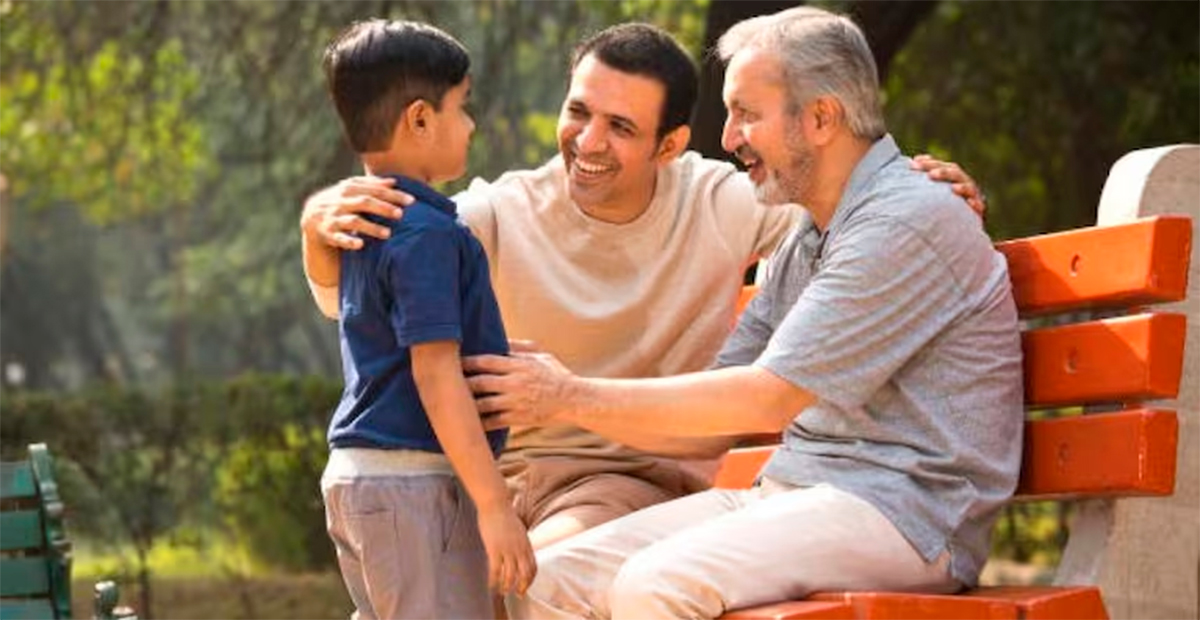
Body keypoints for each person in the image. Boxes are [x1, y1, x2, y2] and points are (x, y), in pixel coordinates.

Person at [301, 23, 989, 552]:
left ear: (671, 145)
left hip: (624, 484)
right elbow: (355, 302)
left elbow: (852, 210)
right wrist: (317, 230)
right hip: (491, 480)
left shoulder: (725, 203)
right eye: (579, 112)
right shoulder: (498, 213)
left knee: (515, 576)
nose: (587, 142)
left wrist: (921, 182)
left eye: (620, 128)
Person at [463, 7, 1024, 620]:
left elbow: (767, 399)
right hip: (796, 492)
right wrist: (563, 397)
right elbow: (711, 426)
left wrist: (566, 395)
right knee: (549, 580)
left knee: (652, 586)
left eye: (747, 114)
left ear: (821, 118)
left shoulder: (902, 222)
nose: (728, 138)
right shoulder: (807, 238)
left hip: (907, 514)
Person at [316, 19, 534, 620]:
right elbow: (433, 374)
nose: (471, 125)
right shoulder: (429, 234)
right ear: (419, 118)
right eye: (462, 108)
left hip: (364, 480)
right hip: (413, 485)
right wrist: (493, 505)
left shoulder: (363, 224)